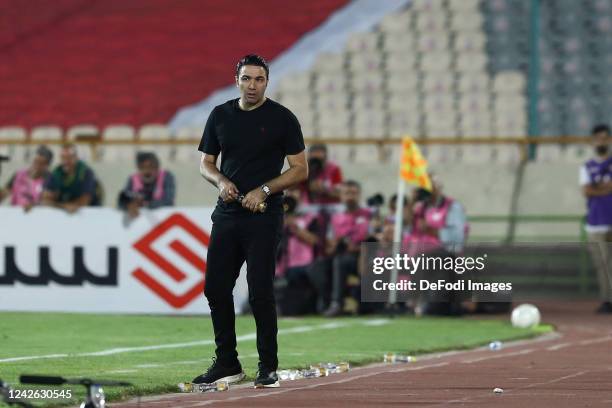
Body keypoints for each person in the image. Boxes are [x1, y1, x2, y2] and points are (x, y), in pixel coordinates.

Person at [193, 54, 307, 388]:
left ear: (267, 82)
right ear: (237, 80)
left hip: (264, 216)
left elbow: (300, 169)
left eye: (258, 79)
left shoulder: (283, 118)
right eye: (246, 79)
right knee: (215, 288)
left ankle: (268, 366)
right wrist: (221, 182)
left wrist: (266, 190)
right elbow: (206, 163)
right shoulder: (220, 115)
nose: (252, 85)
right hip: (227, 214)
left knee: (260, 292)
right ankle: (227, 362)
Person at [323, 180, 372, 317]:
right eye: (347, 193)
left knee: (340, 262)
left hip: (364, 254)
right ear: (341, 196)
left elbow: (373, 238)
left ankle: (337, 303)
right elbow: (330, 242)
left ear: (359, 194)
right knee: (317, 268)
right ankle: (324, 302)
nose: (350, 196)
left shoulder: (369, 214)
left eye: (353, 193)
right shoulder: (335, 217)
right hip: (341, 253)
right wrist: (336, 243)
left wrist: (357, 245)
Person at [580, 124, 612, 313]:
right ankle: (607, 300)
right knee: (602, 264)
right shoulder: (587, 166)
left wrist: (596, 189)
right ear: (593, 141)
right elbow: (586, 190)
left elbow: (593, 189)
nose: (602, 141)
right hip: (595, 222)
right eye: (598, 138)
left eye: (605, 138)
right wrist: (604, 188)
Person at [41, 143, 102, 212]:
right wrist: (64, 206)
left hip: (89, 213)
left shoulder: (86, 173)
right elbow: (45, 199)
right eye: (63, 158)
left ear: (76, 158)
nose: (66, 161)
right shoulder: (56, 173)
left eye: (69, 158)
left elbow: (85, 200)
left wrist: (61, 205)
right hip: (64, 213)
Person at [118, 152, 176, 218]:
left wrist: (144, 204)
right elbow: (121, 202)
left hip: (163, 218)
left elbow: (168, 202)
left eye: (151, 166)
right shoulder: (132, 179)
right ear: (138, 168)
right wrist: (129, 205)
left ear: (157, 167)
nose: (147, 170)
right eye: (143, 167)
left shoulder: (166, 177)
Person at [0, 145, 53, 211]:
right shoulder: (19, 175)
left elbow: (47, 202)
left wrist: (34, 205)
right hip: (16, 213)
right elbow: (5, 192)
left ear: (47, 166)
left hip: (35, 215)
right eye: (35, 162)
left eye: (41, 163)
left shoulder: (49, 179)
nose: (37, 166)